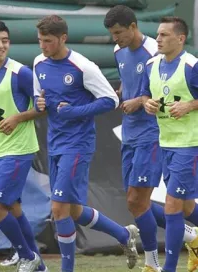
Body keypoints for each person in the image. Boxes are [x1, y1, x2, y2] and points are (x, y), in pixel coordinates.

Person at [34, 15, 139, 272]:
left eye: (48, 41)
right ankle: (124, 235)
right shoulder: (38, 63)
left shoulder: (83, 66)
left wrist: (75, 111)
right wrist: (40, 103)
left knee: (59, 209)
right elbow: (42, 97)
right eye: (40, 41)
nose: (43, 46)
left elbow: (109, 100)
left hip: (78, 144)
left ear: (63, 38)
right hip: (54, 143)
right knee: (73, 210)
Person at [104, 6, 198, 272]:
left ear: (133, 26)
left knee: (160, 203)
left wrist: (187, 105)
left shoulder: (171, 58)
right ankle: (193, 238)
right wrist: (135, 98)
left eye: (119, 33)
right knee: (172, 204)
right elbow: (139, 89)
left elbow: (148, 95)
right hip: (134, 134)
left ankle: (155, 264)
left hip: (158, 137)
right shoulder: (129, 55)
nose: (116, 38)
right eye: (112, 34)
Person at [0, 20, 47, 272]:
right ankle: (39, 267)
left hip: (19, 149)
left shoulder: (21, 73)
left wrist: (18, 117)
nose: (0, 45)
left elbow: (44, 106)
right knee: (12, 207)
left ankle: (26, 255)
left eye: (5, 40)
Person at [141, 16, 198, 272]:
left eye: (164, 35)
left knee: (173, 205)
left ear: (181, 38)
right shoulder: (151, 64)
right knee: (185, 205)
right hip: (165, 143)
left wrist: (190, 104)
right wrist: (147, 103)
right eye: (157, 34)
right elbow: (145, 94)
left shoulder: (191, 65)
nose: (158, 39)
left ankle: (169, 268)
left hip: (190, 143)